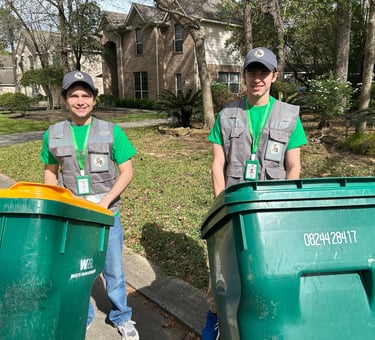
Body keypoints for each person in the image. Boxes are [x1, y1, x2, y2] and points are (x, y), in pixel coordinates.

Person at [202, 47, 308, 339]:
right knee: (222, 273)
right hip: (233, 208)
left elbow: (294, 165)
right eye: (252, 71)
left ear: (274, 76)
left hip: (270, 212)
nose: (257, 78)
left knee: (265, 271)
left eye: (264, 72)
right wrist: (222, 208)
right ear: (244, 75)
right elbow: (217, 165)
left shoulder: (289, 116)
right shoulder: (227, 115)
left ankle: (262, 323)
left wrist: (283, 207)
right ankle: (215, 318)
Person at [40, 70, 139, 340]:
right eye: (74, 95)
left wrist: (105, 203)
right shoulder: (54, 134)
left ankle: (122, 316)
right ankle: (81, 315)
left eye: (86, 95)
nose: (80, 100)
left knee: (113, 269)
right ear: (64, 99)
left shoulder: (111, 131)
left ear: (94, 99)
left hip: (107, 215)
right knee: (76, 268)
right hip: (73, 216)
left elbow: (127, 171)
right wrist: (59, 197)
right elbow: (50, 171)